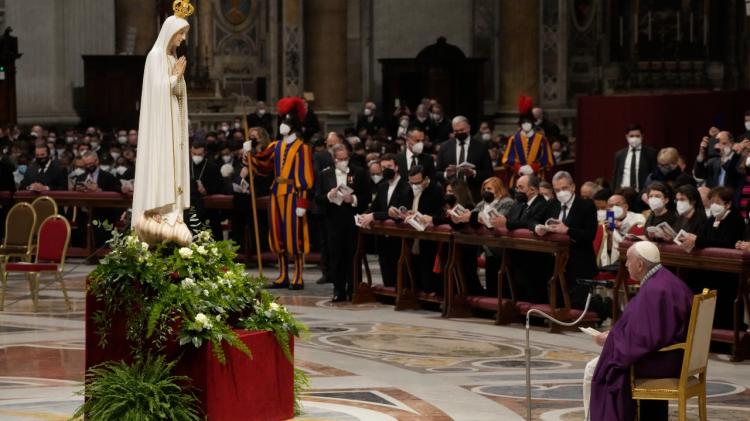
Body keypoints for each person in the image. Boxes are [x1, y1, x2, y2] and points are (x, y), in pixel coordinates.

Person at [584, 241, 694, 421]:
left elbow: (645, 338)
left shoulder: (655, 290)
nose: (626, 265)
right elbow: (651, 328)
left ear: (640, 265)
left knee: (595, 369)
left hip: (665, 361)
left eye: (628, 260)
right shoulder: (665, 279)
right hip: (679, 356)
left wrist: (611, 340)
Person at [131, 2, 192, 245]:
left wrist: (177, 79)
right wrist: (175, 77)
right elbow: (156, 93)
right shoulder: (155, 57)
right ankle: (157, 210)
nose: (183, 38)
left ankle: (173, 214)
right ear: (170, 32)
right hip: (160, 130)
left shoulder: (171, 58)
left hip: (173, 127)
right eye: (181, 33)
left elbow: (176, 93)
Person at [252, 97, 315, 290]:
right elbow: (263, 165)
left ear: (293, 126)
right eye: (281, 123)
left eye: (285, 123)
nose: (282, 126)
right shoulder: (275, 146)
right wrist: (252, 151)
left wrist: (303, 204)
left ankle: (297, 276)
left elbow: (305, 178)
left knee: (293, 236)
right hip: (276, 193)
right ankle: (282, 275)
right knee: (278, 235)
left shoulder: (302, 149)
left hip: (293, 195)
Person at [534, 171, 598, 310]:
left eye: (564, 188)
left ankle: (601, 306)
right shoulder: (552, 204)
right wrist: (539, 227)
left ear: (573, 187)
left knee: (577, 305)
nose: (561, 192)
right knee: (557, 303)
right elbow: (536, 220)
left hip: (580, 262)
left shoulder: (586, 205)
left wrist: (568, 230)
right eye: (557, 190)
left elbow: (590, 235)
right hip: (556, 262)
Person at [315, 144, 369, 302]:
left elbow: (367, 196)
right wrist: (329, 196)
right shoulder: (325, 175)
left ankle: (354, 288)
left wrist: (353, 199)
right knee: (335, 257)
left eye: (346, 159)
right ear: (334, 159)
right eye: (340, 159)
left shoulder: (358, 172)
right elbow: (317, 198)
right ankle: (338, 290)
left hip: (352, 219)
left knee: (353, 255)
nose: (343, 161)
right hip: (333, 221)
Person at [357, 154, 412, 287]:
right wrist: (363, 216)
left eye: (389, 166)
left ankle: (400, 292)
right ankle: (388, 293)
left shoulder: (405, 187)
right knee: (385, 266)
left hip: (399, 236)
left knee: (399, 268)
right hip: (382, 236)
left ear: (396, 167)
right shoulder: (382, 186)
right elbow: (374, 206)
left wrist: (374, 216)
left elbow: (399, 213)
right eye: (383, 167)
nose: (386, 169)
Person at [435, 116, 493, 201]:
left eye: (462, 130)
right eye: (456, 131)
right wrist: (446, 174)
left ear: (469, 128)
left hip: (474, 194)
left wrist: (473, 173)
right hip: (451, 195)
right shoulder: (444, 147)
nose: (459, 133)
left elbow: (489, 173)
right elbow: (436, 173)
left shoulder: (481, 147)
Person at [502, 96, 555, 180]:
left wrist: (533, 168)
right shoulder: (513, 139)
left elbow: (548, 160)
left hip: (537, 178)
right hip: (518, 178)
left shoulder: (542, 139)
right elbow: (507, 159)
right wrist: (519, 168)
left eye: (528, 122)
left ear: (533, 123)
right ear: (520, 124)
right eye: (523, 122)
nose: (526, 124)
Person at [611, 124, 657, 209]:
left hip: (641, 196)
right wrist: (614, 193)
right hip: (622, 196)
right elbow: (615, 176)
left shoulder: (651, 153)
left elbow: (654, 175)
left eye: (637, 136)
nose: (634, 138)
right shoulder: (620, 154)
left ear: (642, 136)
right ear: (626, 136)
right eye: (631, 136)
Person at [597, 193, 646, 268]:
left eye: (617, 205)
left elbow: (638, 237)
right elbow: (607, 250)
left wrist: (622, 227)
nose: (614, 208)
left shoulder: (638, 218)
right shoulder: (605, 224)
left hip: (632, 259)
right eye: (611, 206)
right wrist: (610, 235)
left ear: (626, 207)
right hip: (613, 262)